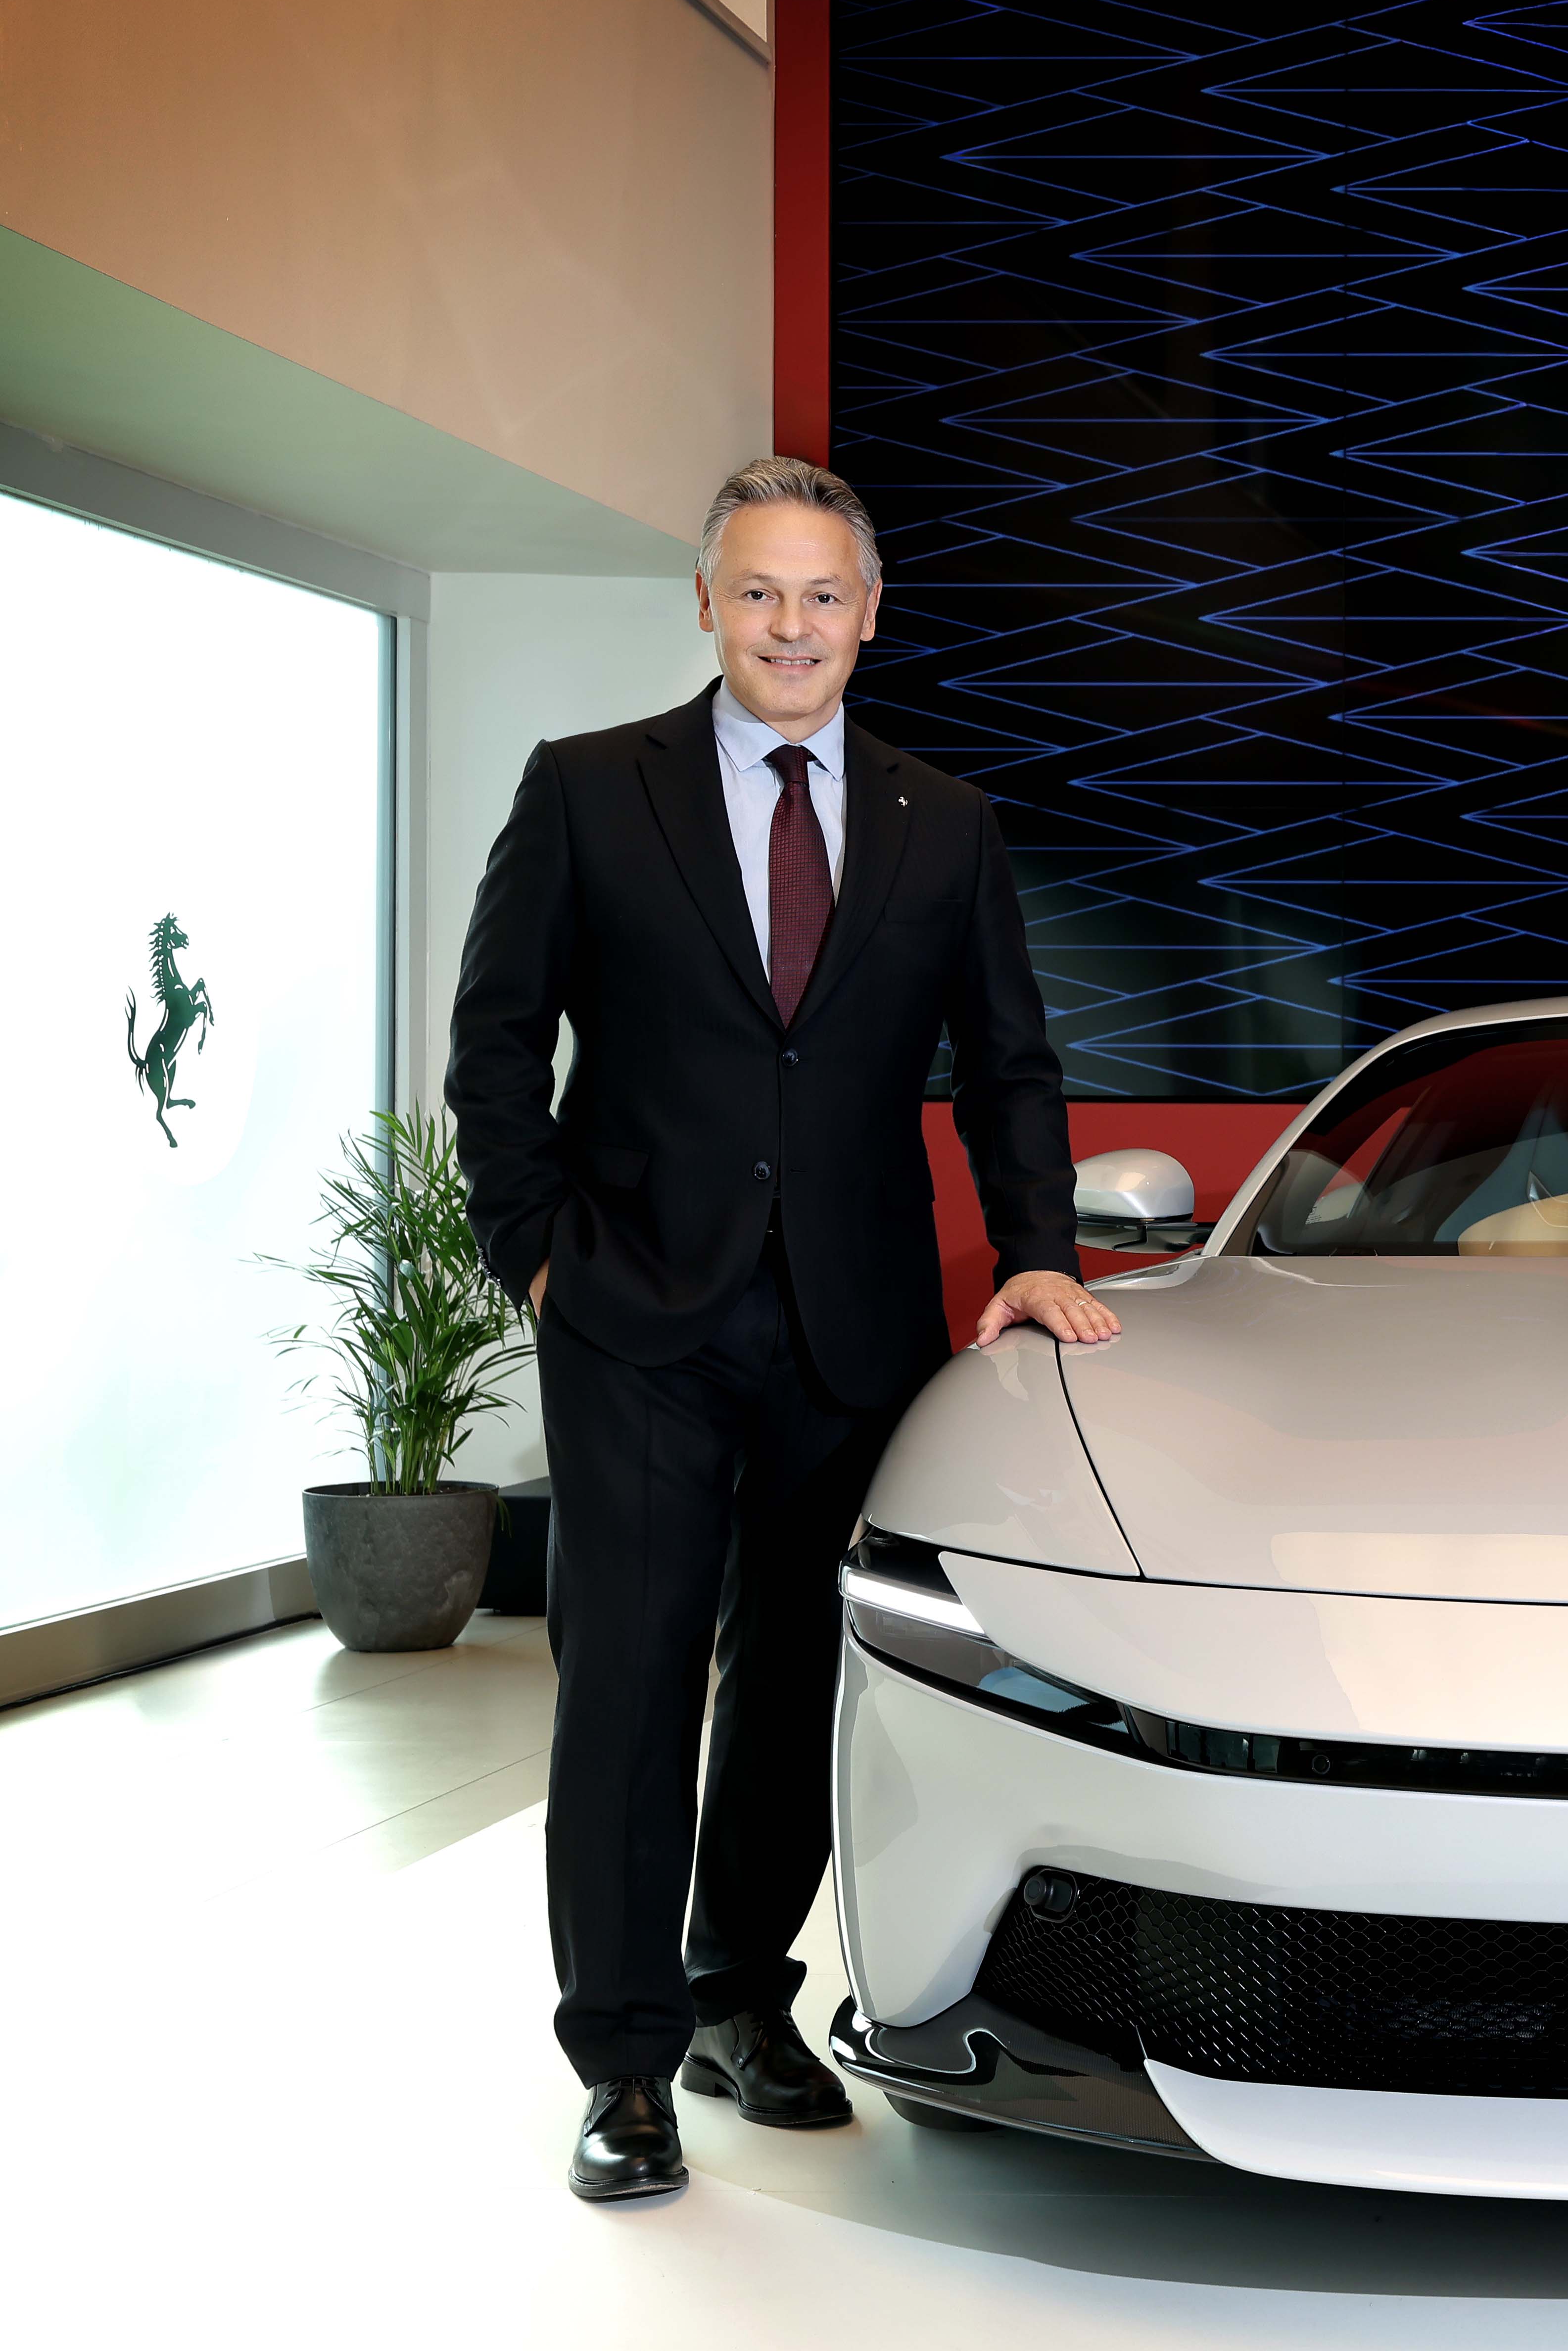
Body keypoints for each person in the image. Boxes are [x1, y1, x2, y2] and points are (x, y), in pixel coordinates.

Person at [447, 457, 1120, 2204]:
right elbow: (496, 1043)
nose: (791, 625)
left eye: (823, 595)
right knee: (629, 1683)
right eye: (758, 591)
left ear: (869, 615)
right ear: (706, 603)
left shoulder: (941, 822)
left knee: (796, 1680)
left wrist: (1037, 1251)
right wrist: (535, 1254)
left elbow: (1011, 1060)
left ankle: (738, 1995)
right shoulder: (590, 789)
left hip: (852, 1318)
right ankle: (622, 2064)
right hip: (632, 1314)